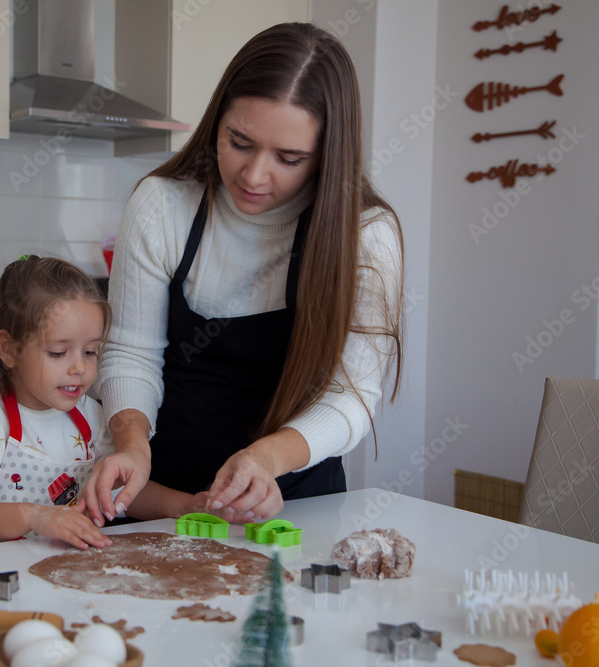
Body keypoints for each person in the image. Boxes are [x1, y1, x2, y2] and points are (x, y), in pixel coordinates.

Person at [82, 23, 404, 527]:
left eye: (289, 158)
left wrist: (264, 460)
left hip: (296, 505)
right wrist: (131, 444)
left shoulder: (364, 234)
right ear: (217, 121)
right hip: (160, 498)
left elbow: (351, 397)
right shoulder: (163, 205)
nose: (254, 177)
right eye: (240, 142)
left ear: (328, 155)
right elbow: (131, 353)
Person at [0, 256, 113, 549]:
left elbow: (119, 488)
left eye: (90, 352)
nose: (79, 367)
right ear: (9, 349)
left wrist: (183, 504)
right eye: (57, 352)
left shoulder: (91, 416)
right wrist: (34, 516)